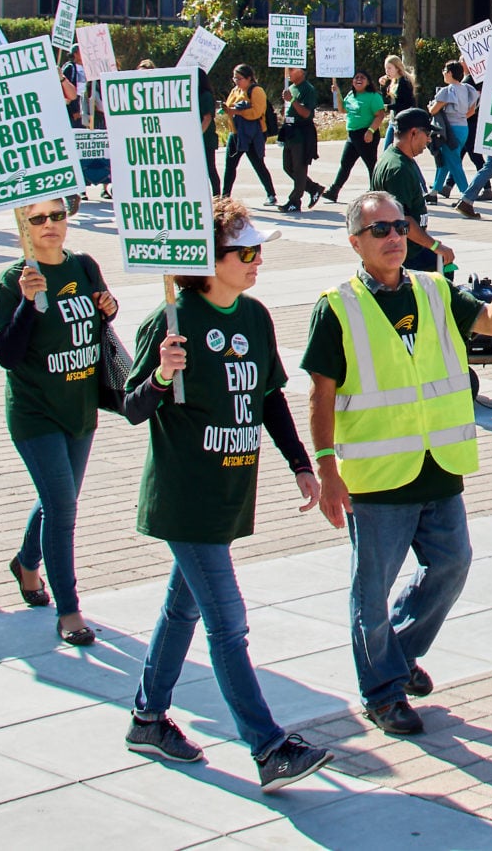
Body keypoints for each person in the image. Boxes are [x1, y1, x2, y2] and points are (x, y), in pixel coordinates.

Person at [302, 193, 492, 736]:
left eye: (399, 226)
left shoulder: (434, 290)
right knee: (371, 591)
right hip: (377, 478)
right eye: (378, 229)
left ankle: (398, 655)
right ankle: (381, 692)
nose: (392, 236)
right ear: (355, 242)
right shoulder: (337, 305)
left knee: (452, 565)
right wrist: (325, 468)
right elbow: (320, 394)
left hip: (439, 466)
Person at [121, 198, 335, 791]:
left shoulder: (255, 316)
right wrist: (162, 374)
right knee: (227, 622)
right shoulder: (169, 322)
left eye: (259, 251)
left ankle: (147, 717)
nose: (257, 261)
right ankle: (267, 747)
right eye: (245, 253)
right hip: (185, 498)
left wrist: (302, 463)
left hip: (230, 492)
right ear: (206, 260)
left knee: (182, 608)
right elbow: (132, 408)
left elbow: (269, 396)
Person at [0, 199, 120, 648]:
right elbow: (5, 354)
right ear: (23, 227)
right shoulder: (12, 281)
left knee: (56, 501)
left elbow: (100, 320)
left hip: (80, 408)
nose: (50, 225)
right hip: (35, 412)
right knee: (63, 509)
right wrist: (28, 303)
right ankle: (68, 609)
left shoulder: (84, 265)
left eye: (57, 216)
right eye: (38, 219)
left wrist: (108, 304)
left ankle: (26, 562)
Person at [370, 109, 452, 275]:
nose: (429, 140)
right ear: (414, 132)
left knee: (445, 265)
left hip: (409, 249)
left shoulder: (395, 158)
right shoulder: (398, 169)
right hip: (405, 255)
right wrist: (434, 246)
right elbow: (403, 219)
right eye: (427, 133)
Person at [324, 70, 387, 202]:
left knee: (371, 164)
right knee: (345, 163)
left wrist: (370, 131)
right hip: (352, 135)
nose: (358, 79)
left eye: (362, 77)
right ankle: (334, 191)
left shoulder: (373, 96)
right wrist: (337, 93)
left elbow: (380, 115)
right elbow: (342, 110)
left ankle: (376, 190)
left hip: (366, 134)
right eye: (356, 77)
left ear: (368, 81)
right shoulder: (351, 95)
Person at [221, 64, 278, 205]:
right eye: (234, 78)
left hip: (253, 134)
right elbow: (229, 108)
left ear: (249, 78)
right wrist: (226, 110)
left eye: (239, 78)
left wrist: (237, 112)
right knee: (230, 166)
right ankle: (225, 197)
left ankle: (271, 195)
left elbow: (257, 113)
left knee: (258, 164)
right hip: (236, 134)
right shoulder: (235, 90)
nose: (236, 81)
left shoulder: (256, 91)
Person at [427, 61, 478, 202]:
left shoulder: (447, 91)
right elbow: (472, 111)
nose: (443, 72)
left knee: (454, 162)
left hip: (449, 131)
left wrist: (430, 106)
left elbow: (433, 110)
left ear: (450, 73)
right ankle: (434, 192)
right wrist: (460, 116)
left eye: (445, 70)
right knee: (446, 159)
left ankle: (466, 196)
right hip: (463, 128)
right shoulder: (468, 89)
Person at [277, 67, 324, 214]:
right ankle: (313, 188)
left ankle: (295, 201)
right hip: (290, 131)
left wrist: (292, 100)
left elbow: (307, 113)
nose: (288, 72)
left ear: (302, 71)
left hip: (302, 133)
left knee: (299, 168)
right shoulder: (291, 87)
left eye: (291, 69)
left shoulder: (307, 89)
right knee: (288, 166)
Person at [380, 55, 415, 149]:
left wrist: (387, 107)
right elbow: (388, 99)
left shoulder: (404, 82)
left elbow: (405, 104)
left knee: (399, 149)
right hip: (393, 120)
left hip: (402, 121)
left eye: (389, 68)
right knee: (388, 149)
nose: (387, 71)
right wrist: (383, 86)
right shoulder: (394, 82)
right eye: (386, 68)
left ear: (397, 68)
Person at [197, 68, 222, 197]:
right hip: (199, 138)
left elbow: (207, 118)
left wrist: (197, 135)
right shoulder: (193, 94)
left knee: (210, 169)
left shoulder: (205, 95)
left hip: (206, 138)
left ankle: (217, 196)